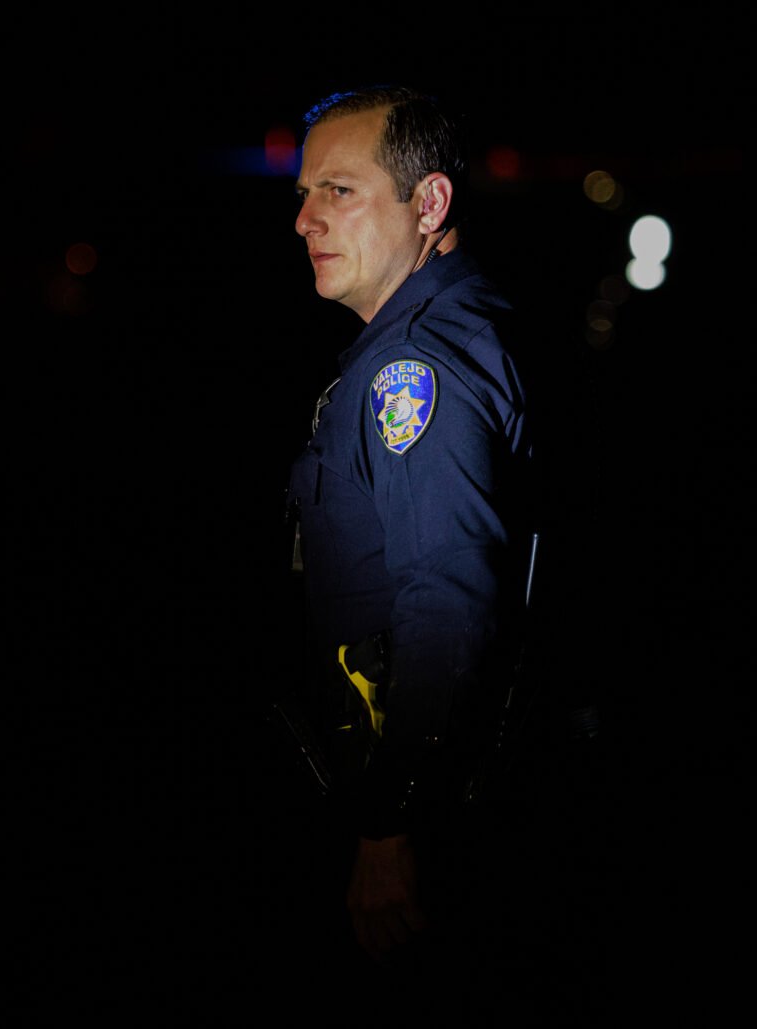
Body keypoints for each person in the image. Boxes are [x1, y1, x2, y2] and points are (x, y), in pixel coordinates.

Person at [277, 84, 550, 1023]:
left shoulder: (419, 366)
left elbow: (448, 602)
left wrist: (390, 826)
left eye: (340, 191)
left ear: (428, 205)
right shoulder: (431, 333)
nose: (306, 218)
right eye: (305, 193)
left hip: (422, 818)